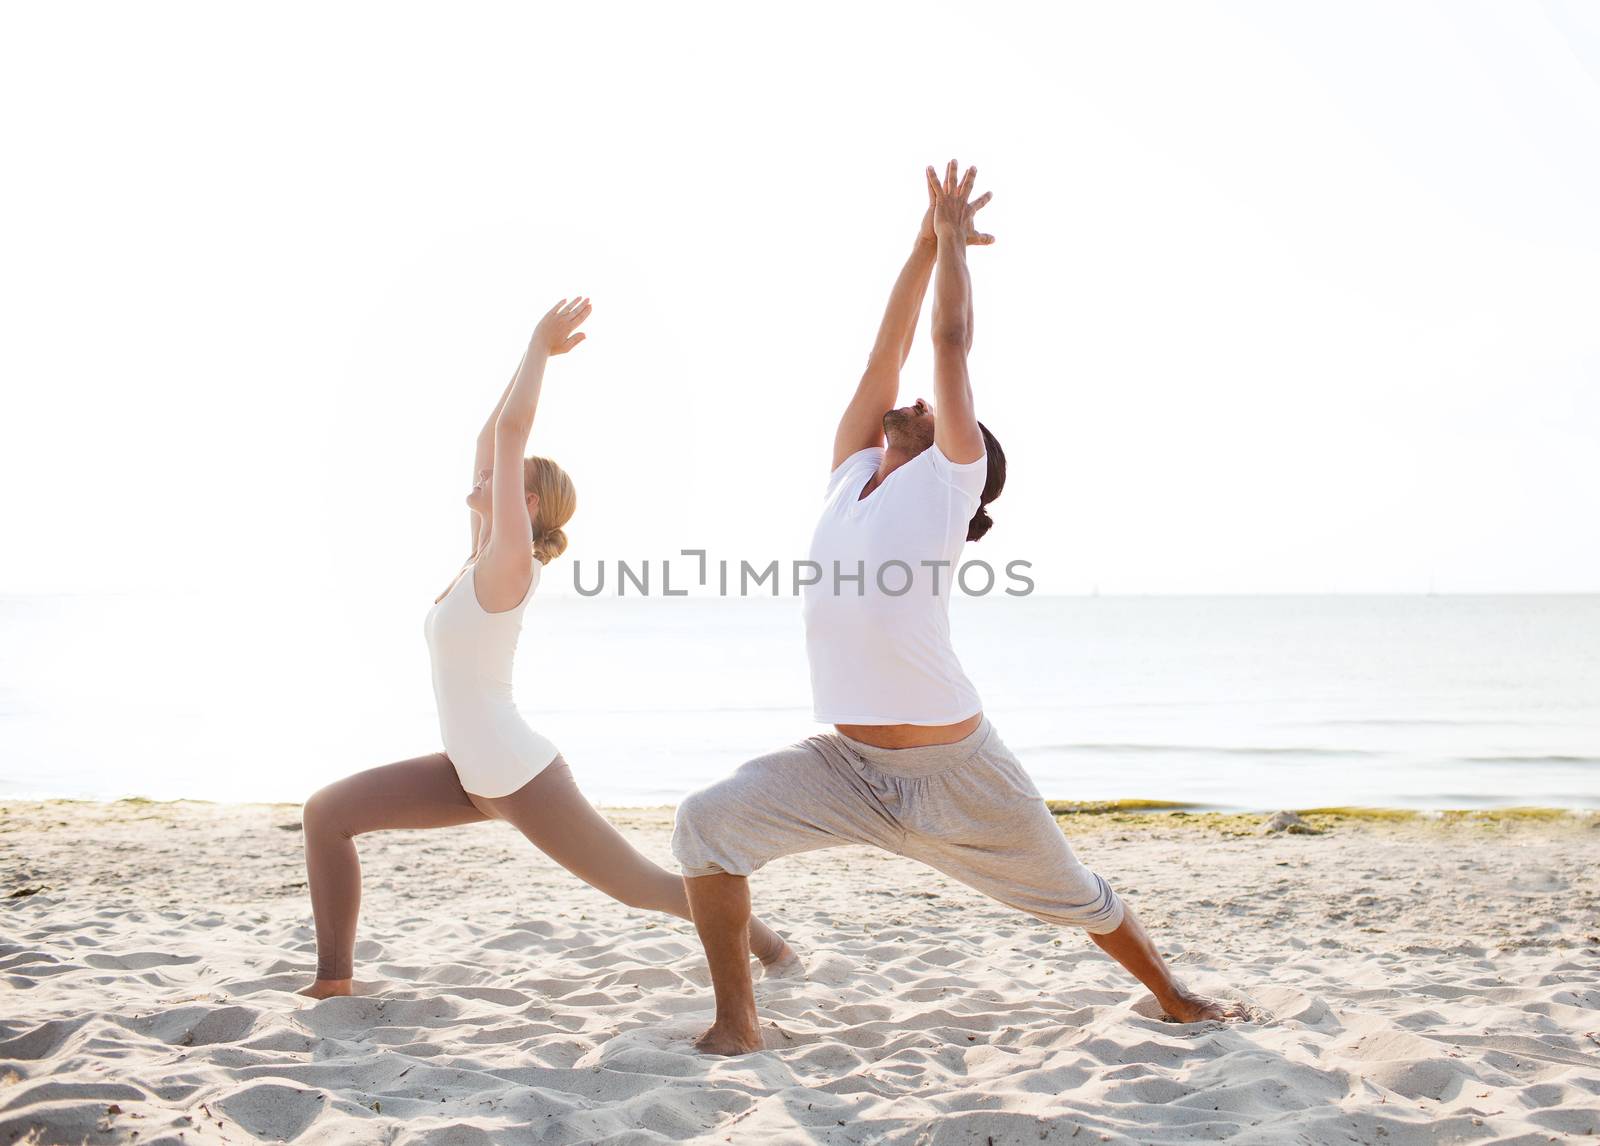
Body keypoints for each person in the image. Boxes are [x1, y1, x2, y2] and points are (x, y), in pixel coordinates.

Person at [672, 163, 1246, 1054]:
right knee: (705, 823)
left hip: (958, 770)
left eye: (932, 412)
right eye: (913, 407)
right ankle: (739, 1023)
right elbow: (886, 352)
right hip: (844, 766)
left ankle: (1172, 995)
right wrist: (913, 247)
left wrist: (951, 249)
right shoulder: (851, 475)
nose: (913, 401)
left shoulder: (947, 483)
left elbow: (947, 342)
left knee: (1074, 896)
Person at [298, 297, 796, 998]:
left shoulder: (510, 563)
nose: (483, 477)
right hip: (468, 774)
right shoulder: (478, 559)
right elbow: (489, 436)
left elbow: (509, 431)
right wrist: (524, 360)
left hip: (518, 773)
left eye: (505, 479)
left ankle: (773, 949)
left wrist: (538, 347)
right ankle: (333, 983)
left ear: (525, 506)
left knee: (645, 888)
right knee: (327, 814)